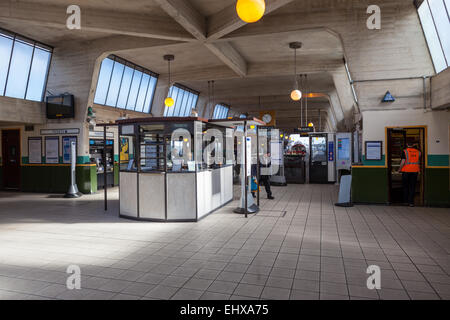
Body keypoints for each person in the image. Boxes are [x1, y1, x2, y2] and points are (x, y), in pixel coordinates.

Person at [398, 142, 421, 207]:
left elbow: (403, 162)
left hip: (406, 171)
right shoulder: (418, 152)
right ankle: (411, 202)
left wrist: (399, 169)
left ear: (407, 144)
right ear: (413, 144)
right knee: (412, 187)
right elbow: (418, 161)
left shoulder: (405, 151)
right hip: (415, 171)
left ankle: (405, 202)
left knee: (405, 187)